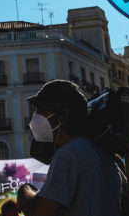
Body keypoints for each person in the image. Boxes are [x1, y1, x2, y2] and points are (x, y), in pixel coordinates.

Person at [26, 80, 123, 216]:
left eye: (42, 110)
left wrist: (25, 193)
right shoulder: (103, 154)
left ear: (63, 116)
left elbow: (39, 211)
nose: (36, 116)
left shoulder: (68, 155)